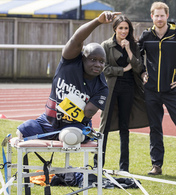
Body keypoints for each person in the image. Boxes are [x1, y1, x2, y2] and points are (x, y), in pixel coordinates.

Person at [16, 12, 121, 142]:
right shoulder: (69, 62)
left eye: (101, 62)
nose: (97, 64)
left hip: (74, 126)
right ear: (82, 58)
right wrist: (97, 21)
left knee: (68, 137)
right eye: (93, 59)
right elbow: (76, 39)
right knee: (22, 130)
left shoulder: (102, 87)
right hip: (47, 121)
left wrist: (70, 101)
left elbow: (88, 113)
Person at [139, 1, 176, 176]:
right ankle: (156, 165)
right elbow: (136, 56)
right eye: (156, 15)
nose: (159, 18)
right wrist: (142, 72)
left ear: (167, 16)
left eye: (162, 15)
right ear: (152, 17)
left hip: (172, 91)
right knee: (155, 128)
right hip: (151, 91)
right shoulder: (146, 36)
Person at [98, 15, 148, 172]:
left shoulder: (133, 45)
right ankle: (98, 164)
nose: (124, 31)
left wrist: (128, 49)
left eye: (126, 28)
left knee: (124, 128)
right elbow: (102, 68)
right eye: (121, 28)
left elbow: (139, 67)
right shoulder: (106, 45)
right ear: (115, 29)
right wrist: (123, 70)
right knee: (103, 127)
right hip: (110, 89)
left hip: (128, 89)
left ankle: (124, 168)